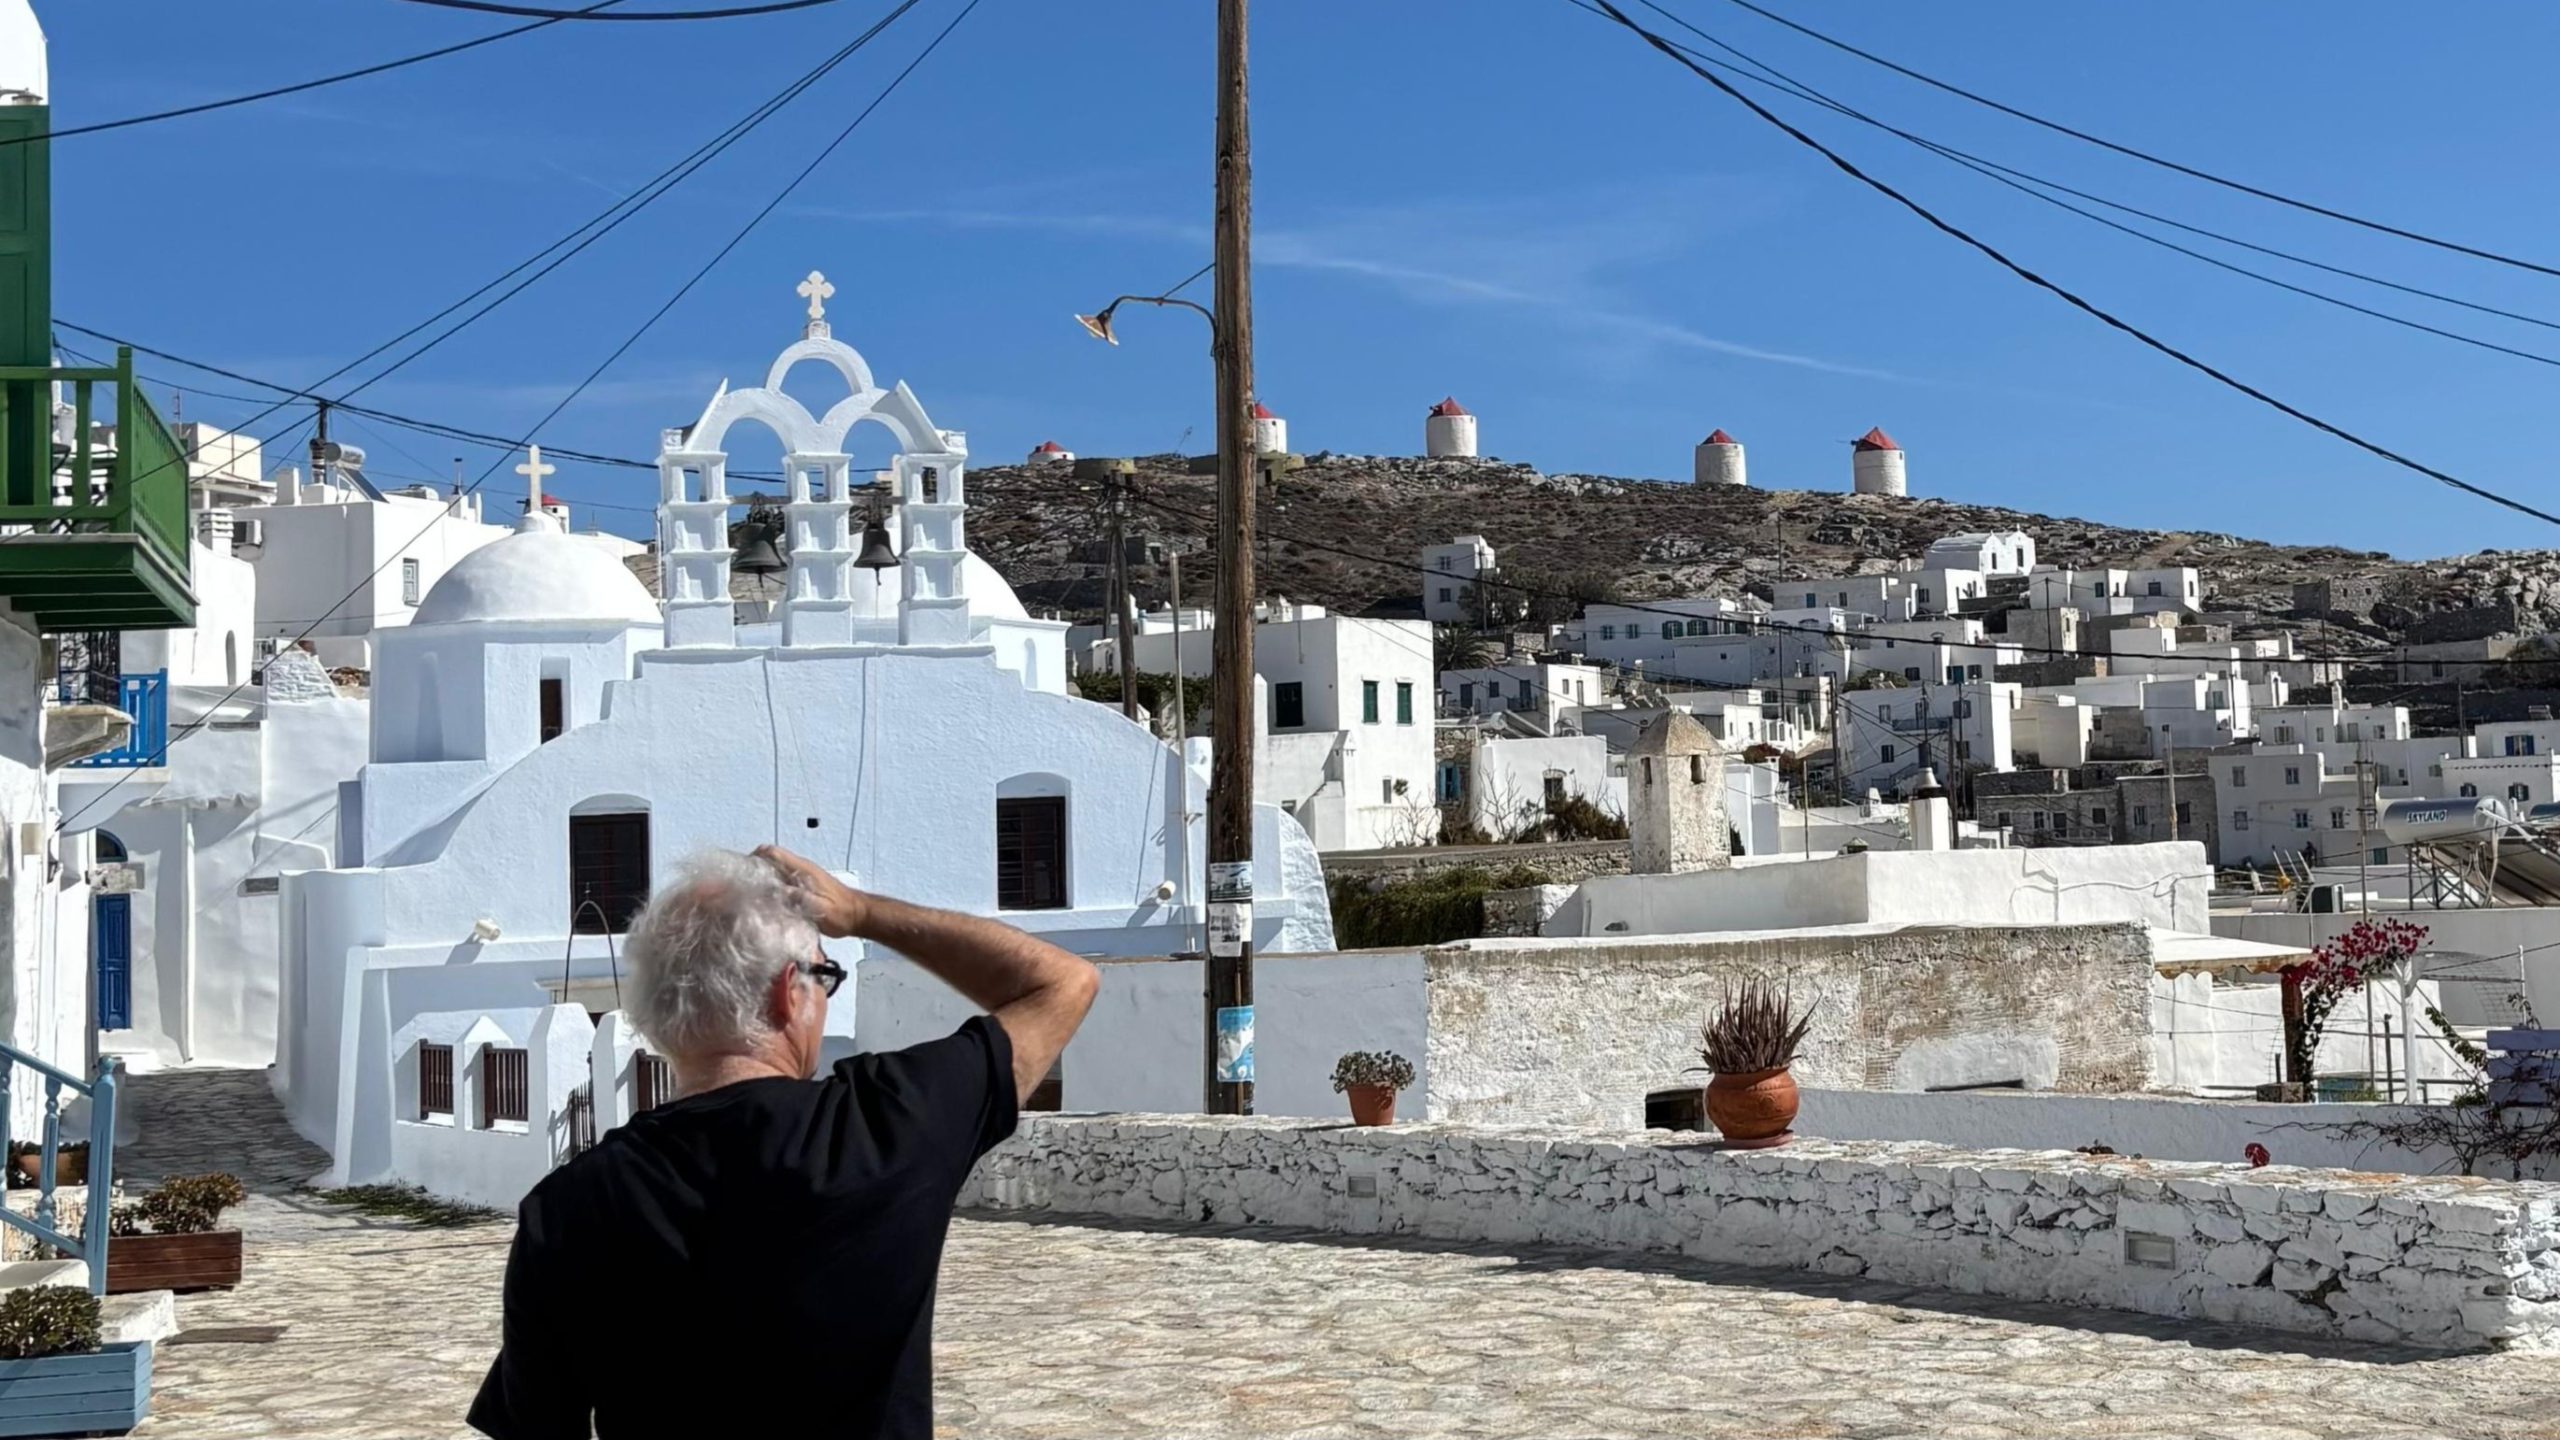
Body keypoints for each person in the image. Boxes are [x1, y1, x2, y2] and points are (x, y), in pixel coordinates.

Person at [468, 846, 1100, 1440]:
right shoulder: (886, 1124)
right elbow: (1062, 984)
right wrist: (859, 913)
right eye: (824, 978)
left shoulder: (566, 1208)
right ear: (787, 990)